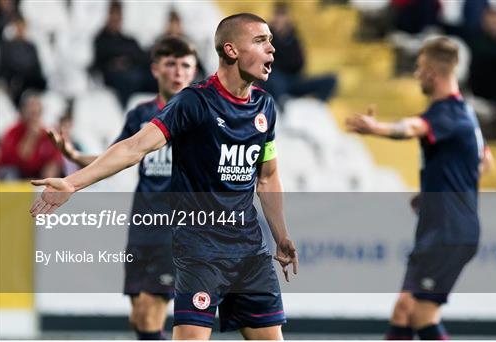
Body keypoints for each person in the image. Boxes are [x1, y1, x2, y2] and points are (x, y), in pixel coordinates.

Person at [30, 13, 297, 341]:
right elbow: (134, 147)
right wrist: (72, 181)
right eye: (260, 41)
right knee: (150, 320)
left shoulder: (265, 107)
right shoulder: (194, 102)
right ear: (231, 50)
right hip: (200, 250)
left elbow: (267, 178)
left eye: (270, 41)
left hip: (249, 251)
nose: (272, 49)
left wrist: (281, 235)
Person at [48, 37, 198, 340]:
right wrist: (76, 157)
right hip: (141, 226)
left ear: (194, 72)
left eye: (185, 65)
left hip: (176, 232)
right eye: (171, 64)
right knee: (138, 318)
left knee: (148, 310)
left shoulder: (200, 116)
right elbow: (116, 157)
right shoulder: (140, 115)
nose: (178, 72)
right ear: (155, 69)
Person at [346, 37, 493, 340]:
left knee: (419, 312)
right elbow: (484, 161)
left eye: (419, 67)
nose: (415, 74)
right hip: (441, 226)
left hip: (449, 231)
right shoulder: (464, 114)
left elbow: (412, 128)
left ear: (432, 74)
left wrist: (378, 129)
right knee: (405, 310)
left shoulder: (447, 113)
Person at [259, 2, 337, 105]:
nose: (279, 19)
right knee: (275, 79)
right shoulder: (265, 36)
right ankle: (278, 111)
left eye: (283, 15)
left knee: (331, 79)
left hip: (293, 80)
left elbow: (300, 63)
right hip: (274, 80)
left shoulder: (293, 38)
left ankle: (317, 108)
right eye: (277, 15)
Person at [91, 0, 148, 107]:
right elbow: (99, 61)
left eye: (118, 16)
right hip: (113, 75)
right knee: (130, 78)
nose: (116, 19)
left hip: (133, 72)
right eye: (113, 15)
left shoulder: (128, 40)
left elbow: (141, 56)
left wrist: (125, 60)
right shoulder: (100, 39)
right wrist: (116, 62)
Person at [0, 91, 61, 179]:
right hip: (15, 176)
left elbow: (54, 159)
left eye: (36, 113)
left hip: (36, 176)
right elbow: (17, 162)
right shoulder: (12, 132)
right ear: (23, 112)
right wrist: (30, 138)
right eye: (31, 112)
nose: (34, 117)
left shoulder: (47, 134)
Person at [0, 13, 46, 106]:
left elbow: (37, 68)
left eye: (23, 26)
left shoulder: (31, 46)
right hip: (15, 86)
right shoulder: (6, 46)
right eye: (18, 25)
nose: (21, 29)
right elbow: (5, 68)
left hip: (31, 84)